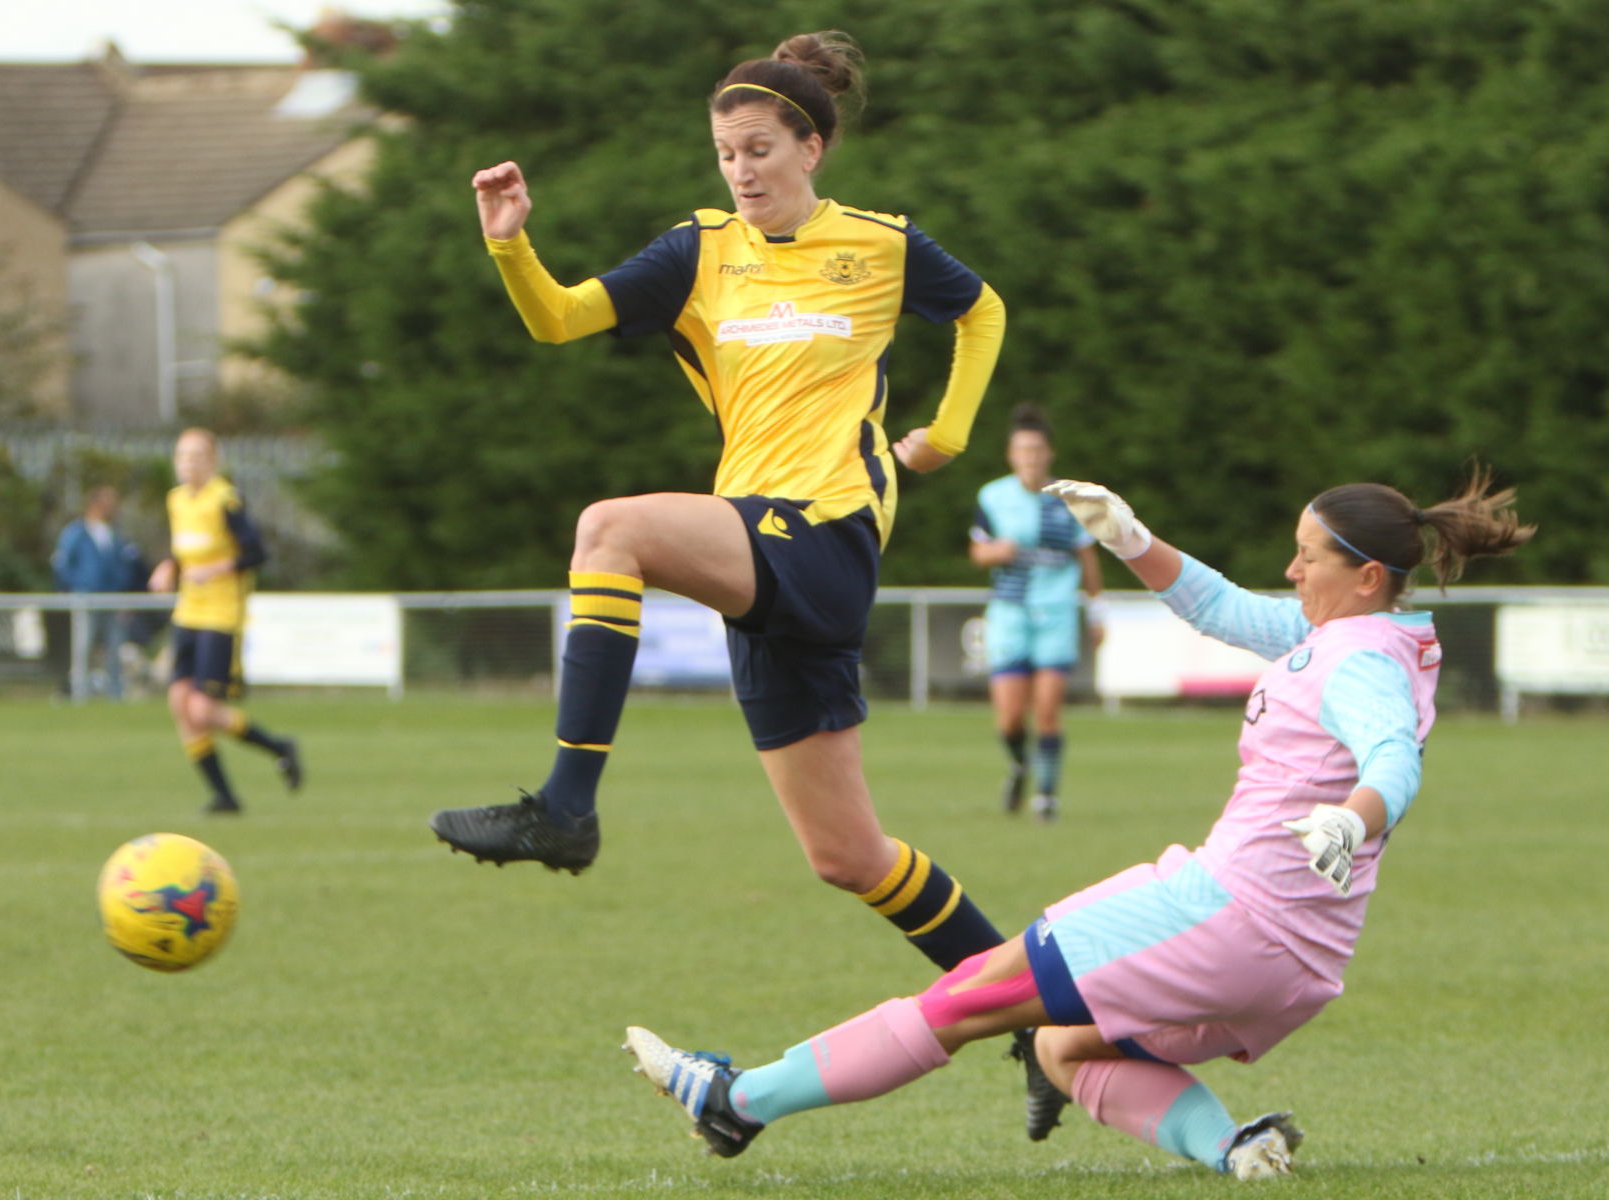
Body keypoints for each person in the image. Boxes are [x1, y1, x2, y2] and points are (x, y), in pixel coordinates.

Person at [622, 469, 1532, 1179]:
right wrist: (1131, 538)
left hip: (1226, 913)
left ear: (1366, 575)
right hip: (1298, 961)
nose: (1291, 571)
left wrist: (1352, 819)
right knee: (1061, 1046)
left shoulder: (1358, 659)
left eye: (1307, 556)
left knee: (970, 996)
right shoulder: (1349, 635)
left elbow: (1392, 762)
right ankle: (1237, 1148)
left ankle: (738, 1100)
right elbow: (1221, 607)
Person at [430, 31, 1011, 971]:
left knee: (608, 529)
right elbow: (561, 318)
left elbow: (982, 308)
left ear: (811, 148)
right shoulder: (698, 251)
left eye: (760, 151)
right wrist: (511, 244)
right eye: (726, 154)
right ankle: (1043, 1011)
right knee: (848, 856)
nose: (742, 171)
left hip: (827, 532)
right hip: (759, 546)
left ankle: (566, 807)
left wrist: (944, 438)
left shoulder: (881, 245)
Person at [148, 428, 302, 815]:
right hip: (188, 612)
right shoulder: (176, 500)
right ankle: (225, 797)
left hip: (220, 615)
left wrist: (215, 569)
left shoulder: (225, 499)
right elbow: (186, 550)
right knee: (179, 703)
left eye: (198, 455)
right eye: (182, 455)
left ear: (213, 461)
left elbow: (256, 553)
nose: (189, 463)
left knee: (201, 710)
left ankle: (279, 747)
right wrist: (170, 567)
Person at [969, 405, 1103, 819]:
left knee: (1047, 710)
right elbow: (978, 552)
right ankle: (1019, 764)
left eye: (1037, 450)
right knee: (1010, 717)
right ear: (1011, 455)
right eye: (1022, 450)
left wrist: (1096, 611)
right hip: (1009, 614)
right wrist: (997, 552)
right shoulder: (992, 496)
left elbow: (1087, 559)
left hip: (1056, 614)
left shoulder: (1068, 500)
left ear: (1049, 454)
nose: (1030, 457)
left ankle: (1047, 796)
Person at [52, 485, 146, 700]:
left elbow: (126, 567)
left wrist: (125, 594)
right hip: (86, 598)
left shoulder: (116, 534)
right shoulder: (76, 533)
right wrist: (75, 589)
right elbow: (63, 565)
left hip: (112, 600)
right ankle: (80, 692)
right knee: (83, 646)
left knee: (115, 648)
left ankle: (115, 693)